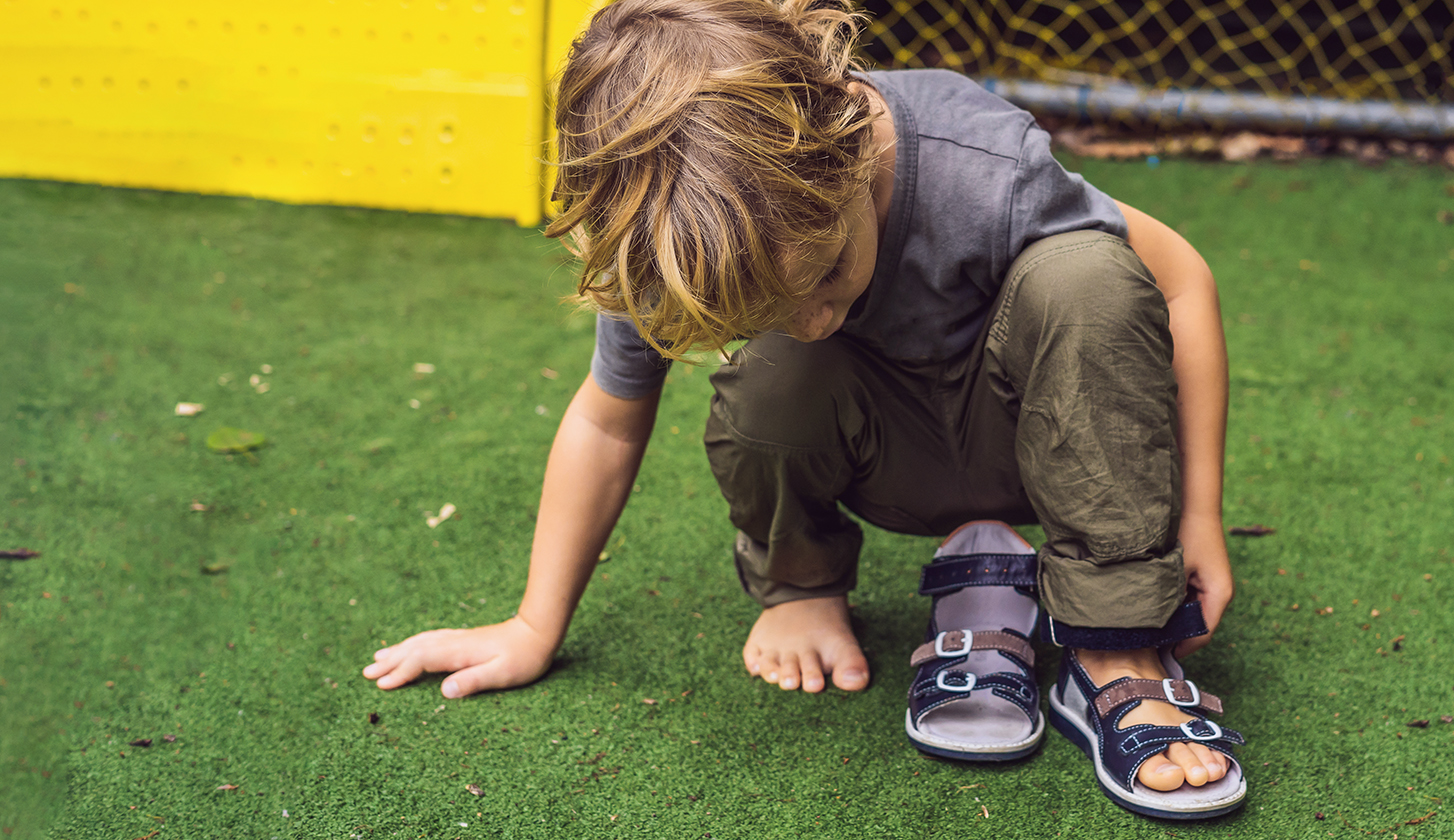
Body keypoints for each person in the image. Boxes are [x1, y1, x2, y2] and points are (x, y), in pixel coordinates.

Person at [362, 0, 1245, 819]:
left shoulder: (977, 157)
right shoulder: (668, 237)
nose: (817, 317)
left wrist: (1196, 515)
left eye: (825, 273)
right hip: (881, 458)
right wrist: (532, 625)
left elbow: (1181, 282)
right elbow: (607, 417)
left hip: (1046, 445)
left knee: (1087, 274)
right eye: (774, 306)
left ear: (855, 147)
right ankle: (804, 585)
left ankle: (1117, 642)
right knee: (779, 369)